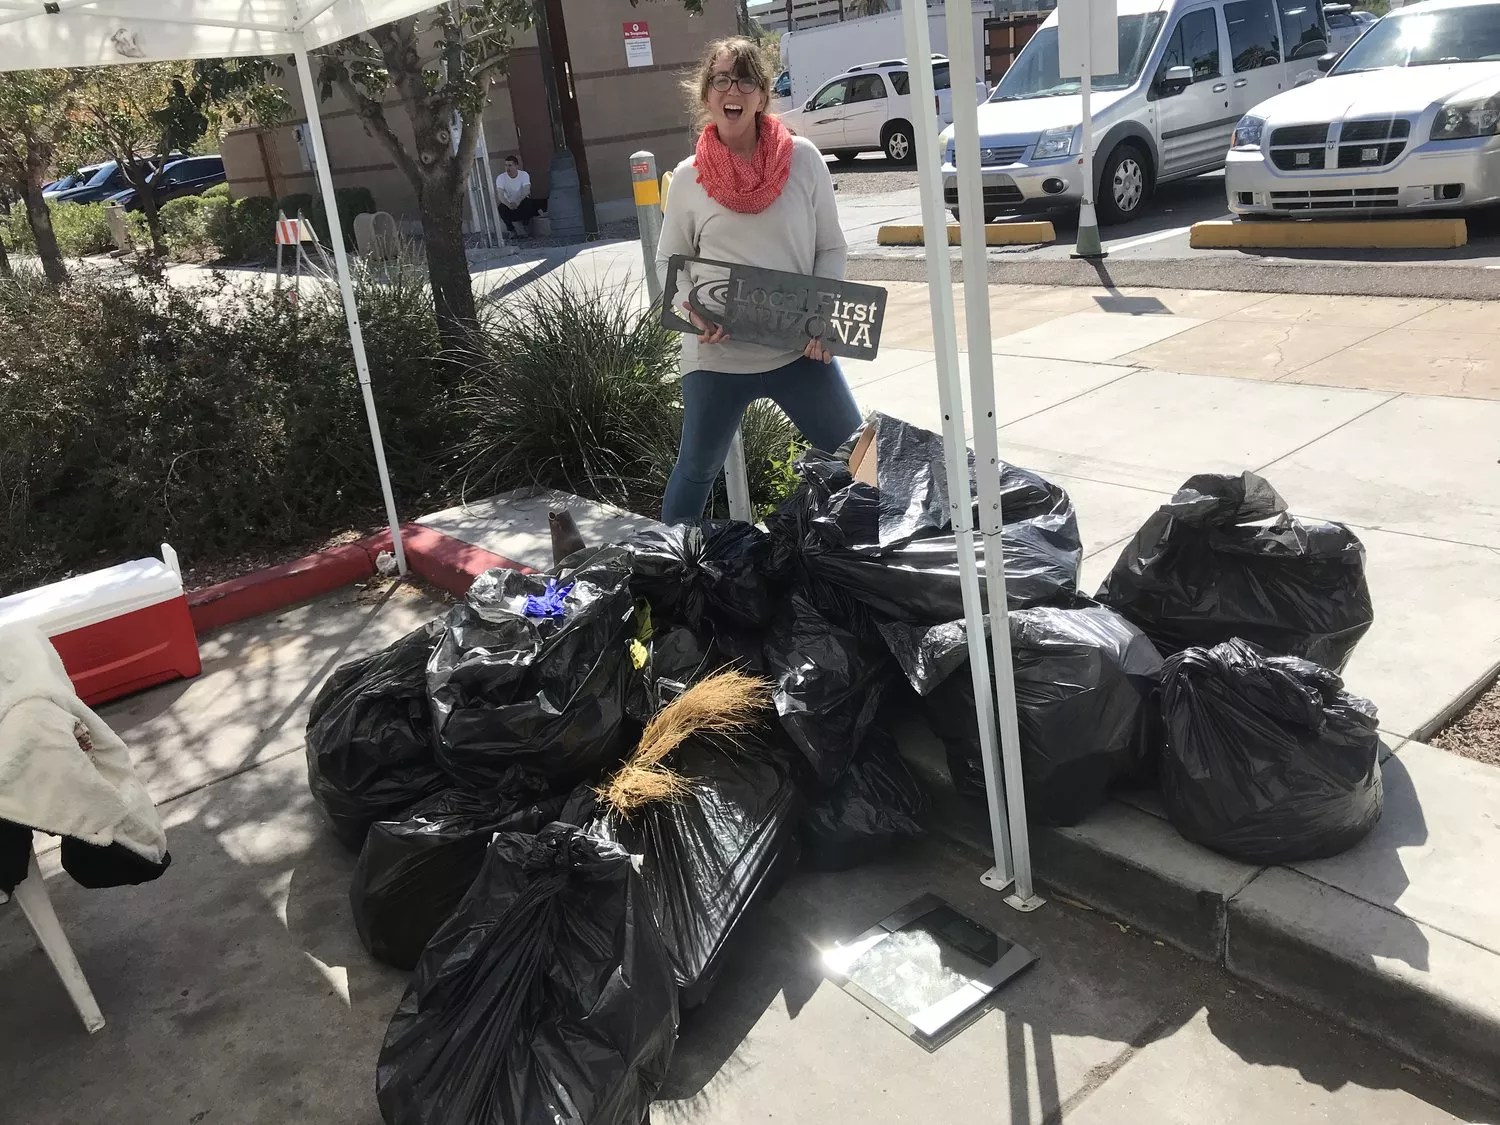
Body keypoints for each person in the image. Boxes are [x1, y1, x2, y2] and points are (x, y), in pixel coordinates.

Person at [655, 37, 861, 525]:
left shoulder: (804, 160)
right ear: (706, 95)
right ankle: (665, 564)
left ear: (763, 95)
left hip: (798, 351)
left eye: (746, 79)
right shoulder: (688, 178)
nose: (734, 89)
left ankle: (873, 560)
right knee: (696, 472)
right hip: (717, 358)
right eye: (722, 79)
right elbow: (669, 261)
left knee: (859, 460)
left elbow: (831, 248)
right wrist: (691, 311)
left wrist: (823, 314)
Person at [495, 155, 539, 236]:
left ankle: (525, 226)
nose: (507, 168)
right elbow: (500, 195)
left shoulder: (524, 175)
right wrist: (508, 205)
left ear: (516, 166)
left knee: (528, 203)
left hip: (521, 202)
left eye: (510, 165)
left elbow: (526, 190)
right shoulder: (500, 178)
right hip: (509, 204)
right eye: (506, 165)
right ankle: (511, 230)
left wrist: (518, 201)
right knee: (501, 208)